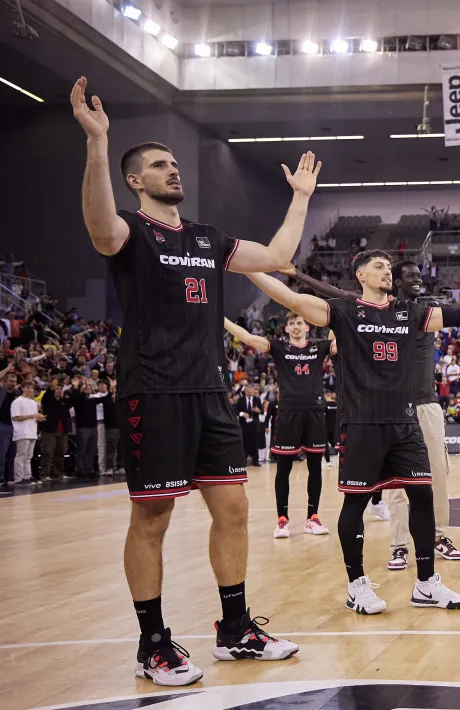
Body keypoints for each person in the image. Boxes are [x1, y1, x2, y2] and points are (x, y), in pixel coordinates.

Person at [71, 76, 311, 685]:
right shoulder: (130, 230)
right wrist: (97, 142)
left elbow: (277, 257)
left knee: (233, 508)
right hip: (153, 390)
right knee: (152, 517)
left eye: (174, 162)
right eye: (159, 164)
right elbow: (98, 227)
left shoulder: (207, 239)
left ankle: (235, 631)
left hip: (210, 392)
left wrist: (302, 198)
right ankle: (152, 644)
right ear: (135, 180)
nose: (173, 169)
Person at [243, 251, 460, 615]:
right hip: (362, 424)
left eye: (388, 267)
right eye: (379, 266)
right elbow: (290, 299)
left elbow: (459, 314)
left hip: (404, 422)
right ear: (361, 275)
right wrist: (248, 266)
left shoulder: (409, 313)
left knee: (422, 495)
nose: (387, 271)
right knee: (355, 503)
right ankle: (356, 586)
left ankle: (426, 584)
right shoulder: (344, 311)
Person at [224, 314, 335, 538]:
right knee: (283, 469)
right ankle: (282, 520)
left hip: (314, 413)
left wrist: (339, 315)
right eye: (292, 323)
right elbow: (248, 338)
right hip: (288, 414)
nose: (296, 327)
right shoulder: (278, 347)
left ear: (308, 327)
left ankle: (312, 518)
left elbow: (343, 337)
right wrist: (222, 319)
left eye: (300, 323)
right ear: (286, 329)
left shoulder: (320, 347)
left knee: (315, 468)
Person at [11, 381, 45, 485]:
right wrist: (33, 416)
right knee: (21, 455)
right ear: (22, 388)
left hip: (32, 431)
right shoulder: (17, 401)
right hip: (22, 432)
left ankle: (27, 476)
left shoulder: (33, 402)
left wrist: (39, 418)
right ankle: (19, 478)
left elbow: (34, 417)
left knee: (29, 456)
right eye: (27, 387)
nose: (30, 390)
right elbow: (15, 417)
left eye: (31, 388)